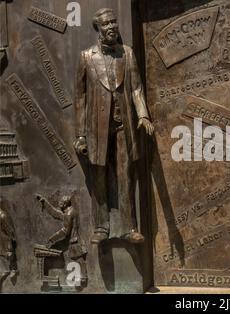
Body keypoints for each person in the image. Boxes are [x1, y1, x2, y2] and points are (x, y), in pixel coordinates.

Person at [73, 8, 154, 244]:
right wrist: (80, 135)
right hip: (96, 129)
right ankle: (101, 226)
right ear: (98, 27)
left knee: (126, 174)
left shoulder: (127, 54)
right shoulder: (86, 57)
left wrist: (143, 115)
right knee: (98, 174)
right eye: (107, 23)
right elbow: (80, 99)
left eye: (114, 22)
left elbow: (137, 88)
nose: (112, 27)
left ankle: (130, 227)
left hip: (123, 127)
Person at [36, 194, 87, 285]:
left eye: (61, 202)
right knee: (76, 257)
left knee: (78, 257)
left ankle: (83, 276)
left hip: (74, 240)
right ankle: (82, 276)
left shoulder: (69, 213)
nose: (59, 204)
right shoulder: (69, 211)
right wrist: (45, 203)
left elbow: (65, 231)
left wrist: (52, 239)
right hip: (74, 239)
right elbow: (56, 214)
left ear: (65, 204)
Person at [0, 206, 16, 281]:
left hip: (4, 239)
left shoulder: (2, 215)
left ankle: (13, 269)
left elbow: (9, 228)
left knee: (9, 253)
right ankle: (4, 270)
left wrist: (12, 237)